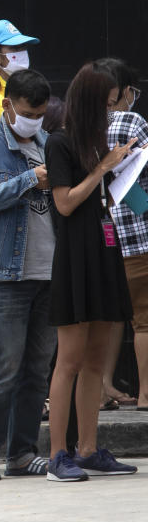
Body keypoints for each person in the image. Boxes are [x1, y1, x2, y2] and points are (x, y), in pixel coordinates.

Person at [45, 61, 138, 481]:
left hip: (104, 248)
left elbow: (110, 197)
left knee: (98, 360)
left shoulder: (97, 144)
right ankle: (57, 453)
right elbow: (65, 203)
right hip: (76, 256)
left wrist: (121, 170)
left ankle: (88, 448)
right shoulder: (60, 143)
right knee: (70, 358)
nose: (110, 112)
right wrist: (103, 168)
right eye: (106, 104)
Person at [0, 69, 58, 481]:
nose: (33, 119)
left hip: (52, 273)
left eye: (39, 114)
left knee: (38, 366)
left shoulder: (51, 145)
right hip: (9, 273)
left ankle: (22, 452)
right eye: (27, 112)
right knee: (4, 365)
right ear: (7, 105)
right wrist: (26, 180)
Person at [101, 58, 143, 409]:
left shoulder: (76, 126)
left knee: (106, 316)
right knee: (143, 319)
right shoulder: (131, 121)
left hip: (101, 236)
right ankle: (146, 394)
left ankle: (101, 387)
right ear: (125, 91)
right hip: (137, 232)